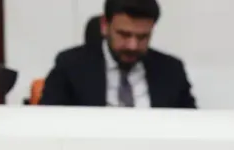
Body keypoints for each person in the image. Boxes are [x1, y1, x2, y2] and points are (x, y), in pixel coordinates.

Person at [39, 0, 196, 109]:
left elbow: (191, 126)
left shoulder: (171, 71)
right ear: (104, 26)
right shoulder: (70, 66)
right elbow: (47, 122)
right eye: (124, 35)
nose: (132, 46)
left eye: (142, 37)